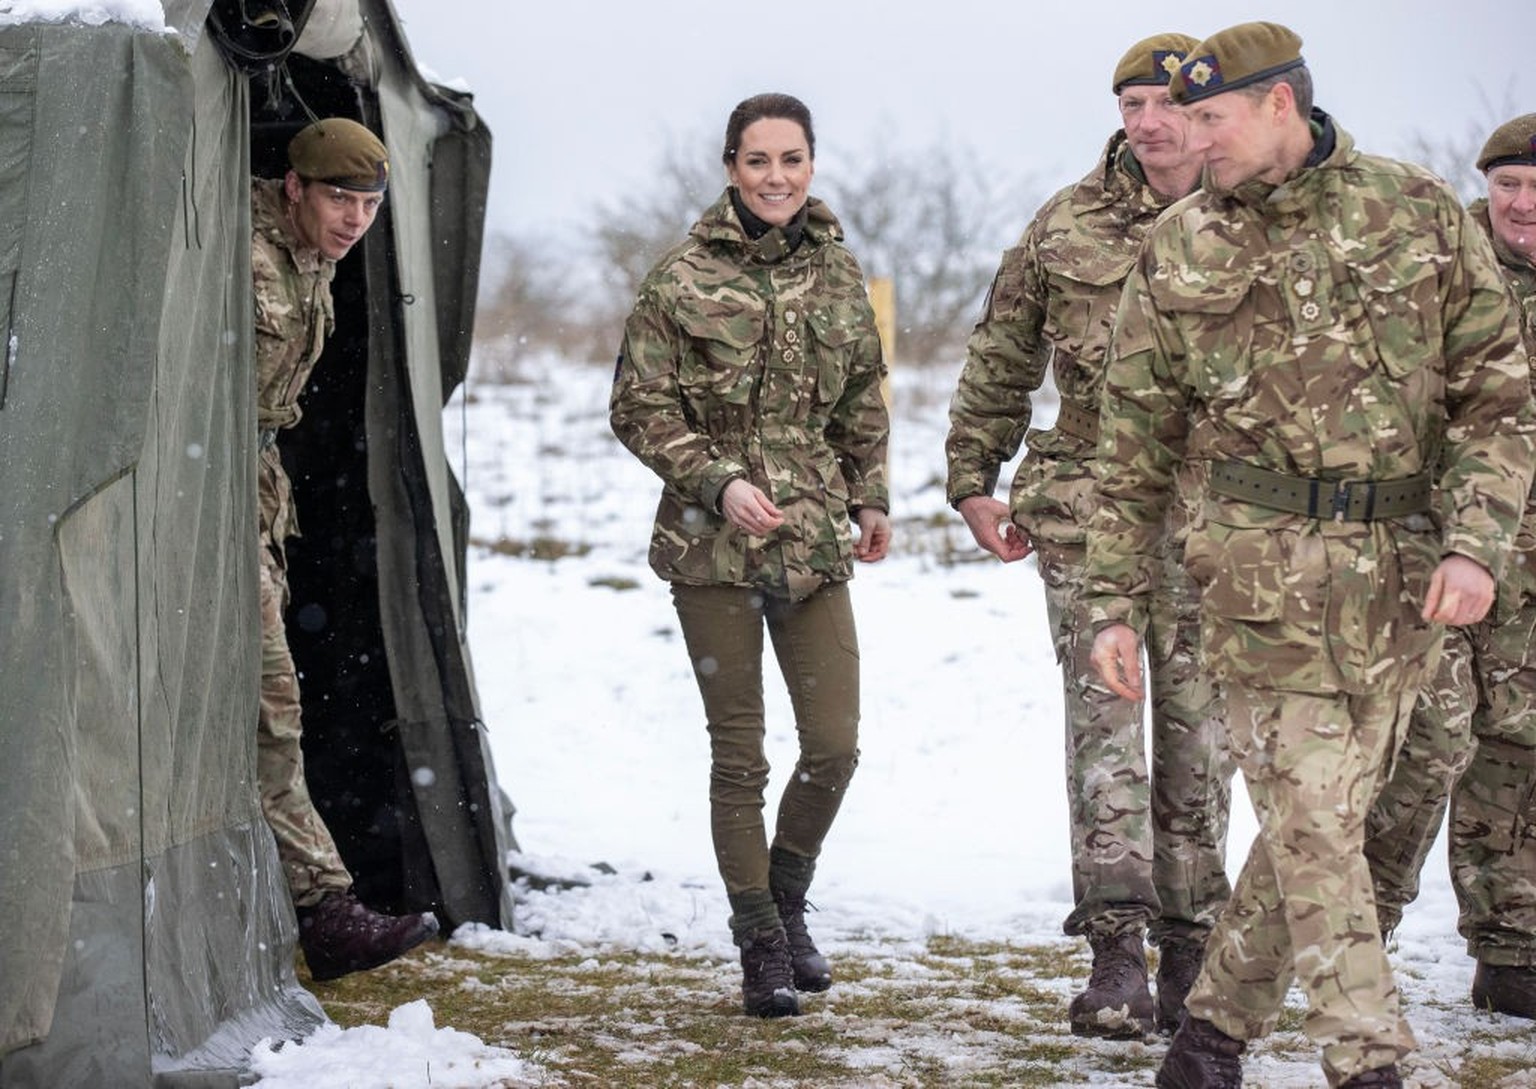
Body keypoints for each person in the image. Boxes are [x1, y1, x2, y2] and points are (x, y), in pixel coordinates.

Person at [1082, 22, 1536, 1089]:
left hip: (1401, 583)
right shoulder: (1181, 244)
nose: (1188, 139)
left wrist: (1475, 544)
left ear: (1280, 103)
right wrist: (1108, 600)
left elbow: (1498, 401)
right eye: (1178, 118)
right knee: (1317, 823)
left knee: (1319, 823)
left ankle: (1207, 1043)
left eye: (1209, 118)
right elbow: (1131, 441)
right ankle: (1366, 1063)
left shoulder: (1417, 213)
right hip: (1257, 581)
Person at [945, 33, 1231, 1039]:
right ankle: (1118, 953)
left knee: (1202, 736)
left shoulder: (1253, 217)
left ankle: (1195, 951)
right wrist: (971, 481)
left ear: (1207, 113)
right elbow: (1001, 355)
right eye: (1132, 105)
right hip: (1087, 507)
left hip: (1216, 523)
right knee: (1106, 732)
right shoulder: (1065, 225)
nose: (1149, 124)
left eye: (1169, 105)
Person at [609, 93, 891, 1019]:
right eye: (759, 159)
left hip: (811, 542)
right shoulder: (679, 280)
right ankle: (761, 941)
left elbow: (861, 400)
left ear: (813, 164)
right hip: (711, 551)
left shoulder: (841, 276)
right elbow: (638, 408)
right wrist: (717, 480)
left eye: (793, 159)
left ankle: (788, 896)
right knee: (741, 758)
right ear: (730, 165)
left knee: (836, 747)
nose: (777, 176)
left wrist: (871, 495)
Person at [254, 117, 439, 981]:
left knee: (266, 704)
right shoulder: (241, 251)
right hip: (199, 505)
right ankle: (324, 909)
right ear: (294, 187)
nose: (356, 217)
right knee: (269, 707)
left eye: (369, 203)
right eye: (339, 197)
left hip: (253, 504)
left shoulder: (316, 265)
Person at [1364, 112, 1536, 1018]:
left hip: (1531, 570)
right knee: (1427, 742)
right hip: (1437, 547)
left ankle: (1512, 951)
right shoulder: (1440, 272)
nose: (1523, 204)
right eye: (1508, 184)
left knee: (1520, 747)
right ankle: (1359, 933)